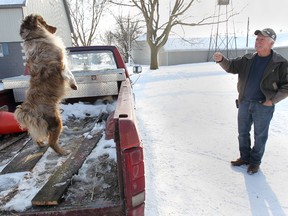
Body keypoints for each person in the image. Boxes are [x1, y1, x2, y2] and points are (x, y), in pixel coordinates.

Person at [213, 28, 288, 174]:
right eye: (257, 39)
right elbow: (232, 66)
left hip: (263, 105)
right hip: (245, 102)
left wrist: (272, 100)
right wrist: (222, 60)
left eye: (262, 39)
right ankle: (244, 157)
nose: (258, 42)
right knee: (242, 133)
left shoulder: (281, 63)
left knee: (260, 136)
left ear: (271, 44)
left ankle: (254, 162)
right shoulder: (248, 59)